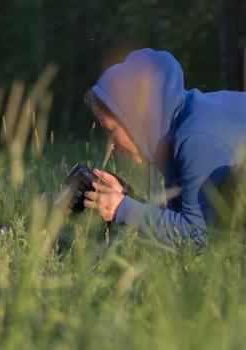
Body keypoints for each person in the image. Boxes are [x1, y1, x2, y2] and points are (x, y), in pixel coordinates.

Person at [82, 48, 246, 251]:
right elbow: (178, 225)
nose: (112, 144)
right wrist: (125, 198)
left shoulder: (195, 139)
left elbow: (198, 237)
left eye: (111, 131)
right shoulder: (176, 131)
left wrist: (122, 209)